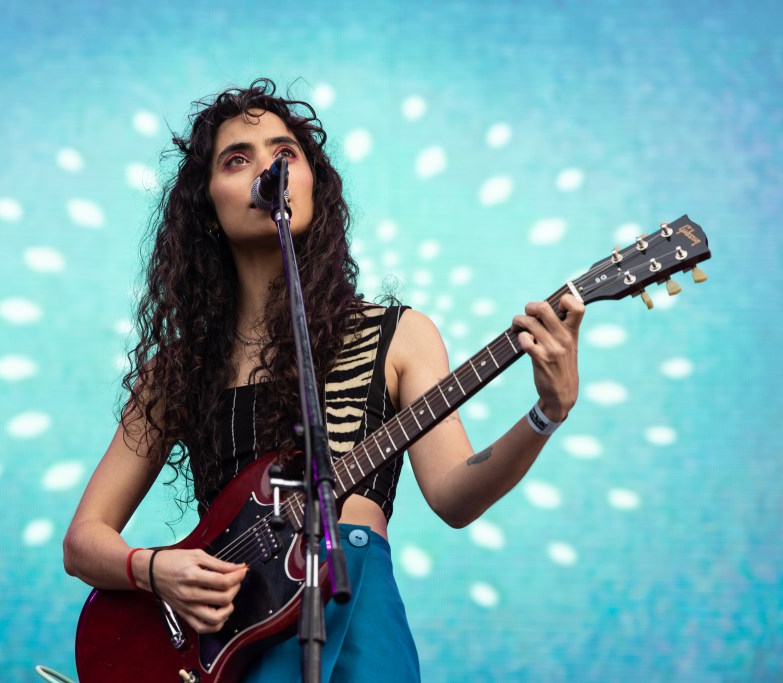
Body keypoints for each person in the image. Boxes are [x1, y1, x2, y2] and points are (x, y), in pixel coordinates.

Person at [62, 78, 584, 682]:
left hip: (360, 609)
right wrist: (156, 569)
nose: (269, 169)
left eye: (285, 153)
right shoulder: (178, 371)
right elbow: (83, 540)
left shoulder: (399, 334)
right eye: (237, 159)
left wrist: (547, 412)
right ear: (207, 206)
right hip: (230, 639)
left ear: (314, 183)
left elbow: (454, 496)